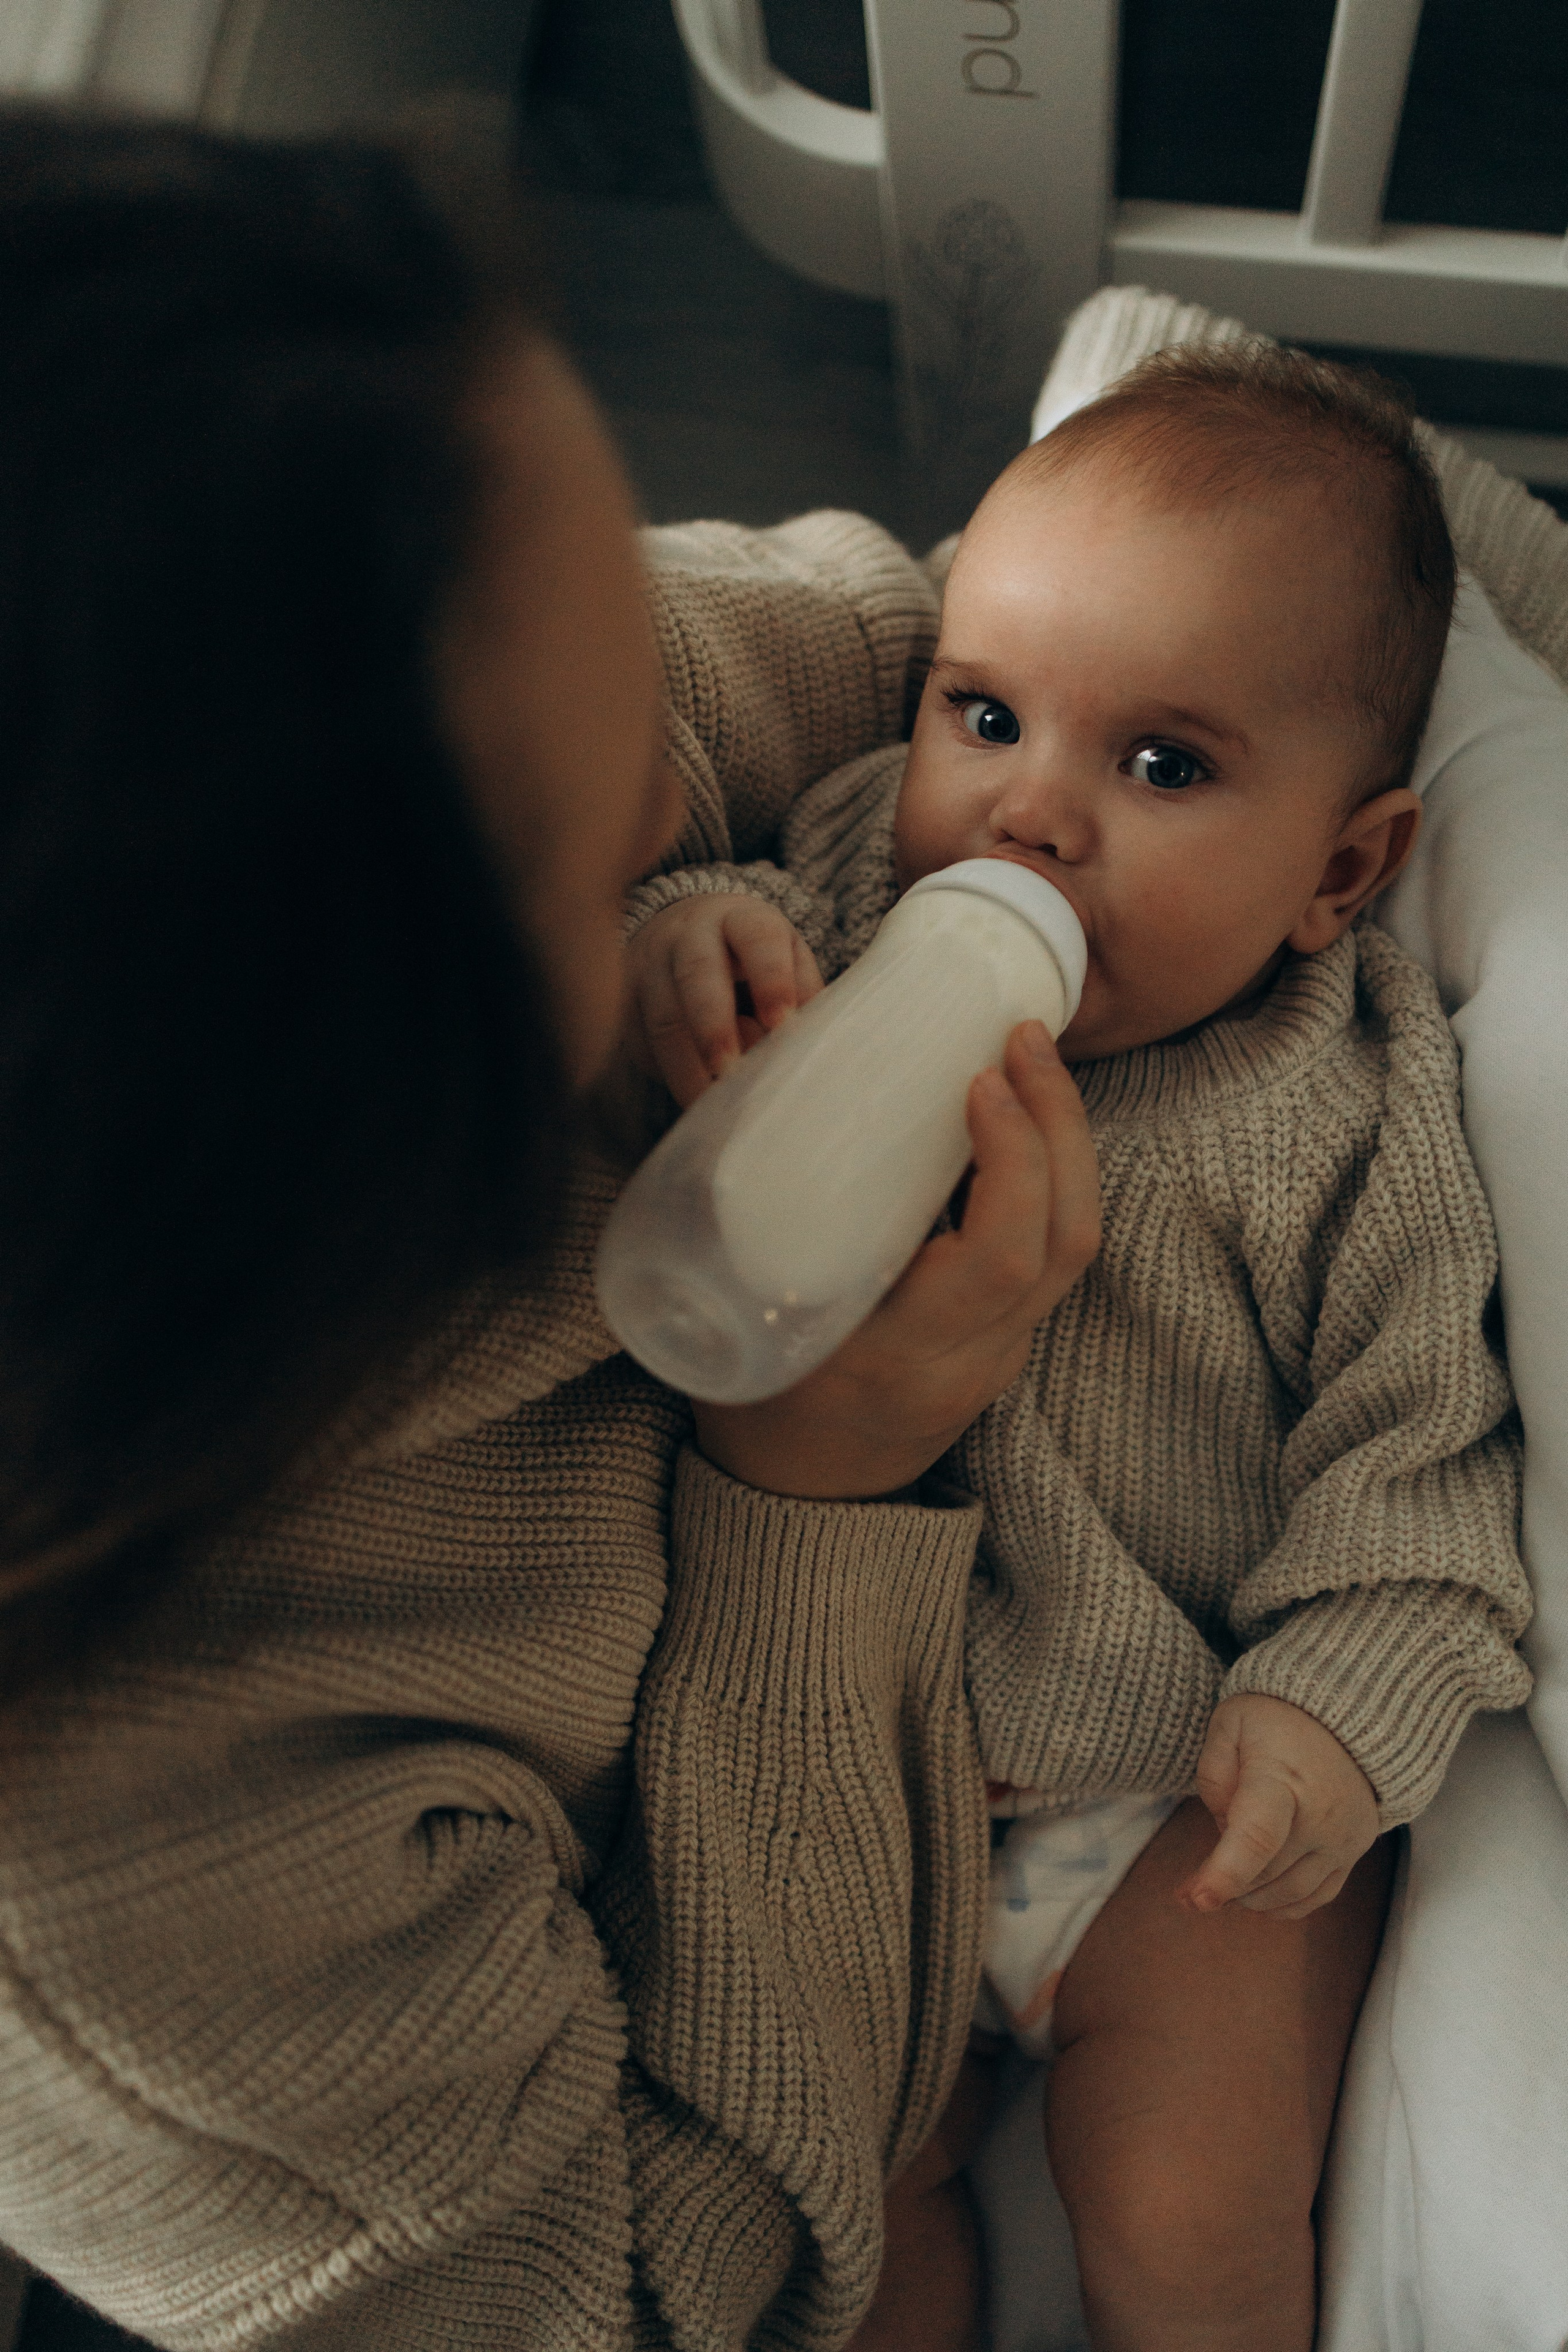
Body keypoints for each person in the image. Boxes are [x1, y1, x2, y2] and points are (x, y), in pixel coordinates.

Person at [0, 109, 1101, 2349]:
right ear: (338, 1154)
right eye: (602, 879)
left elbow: (838, 636)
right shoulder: (144, 1900)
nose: (675, 800)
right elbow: (686, 2281)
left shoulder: (412, 544)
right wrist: (818, 1494)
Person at [625, 344, 1534, 2352]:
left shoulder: (1341, 1106)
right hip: (858, 1784)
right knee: (844, 2225)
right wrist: (683, 948)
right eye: (986, 712)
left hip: (1166, 1817)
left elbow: (1430, 1453)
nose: (1026, 818)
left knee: (1191, 2220)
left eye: (1164, 767)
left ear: (1343, 872)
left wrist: (1329, 1707)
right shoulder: (869, 872)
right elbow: (724, 891)